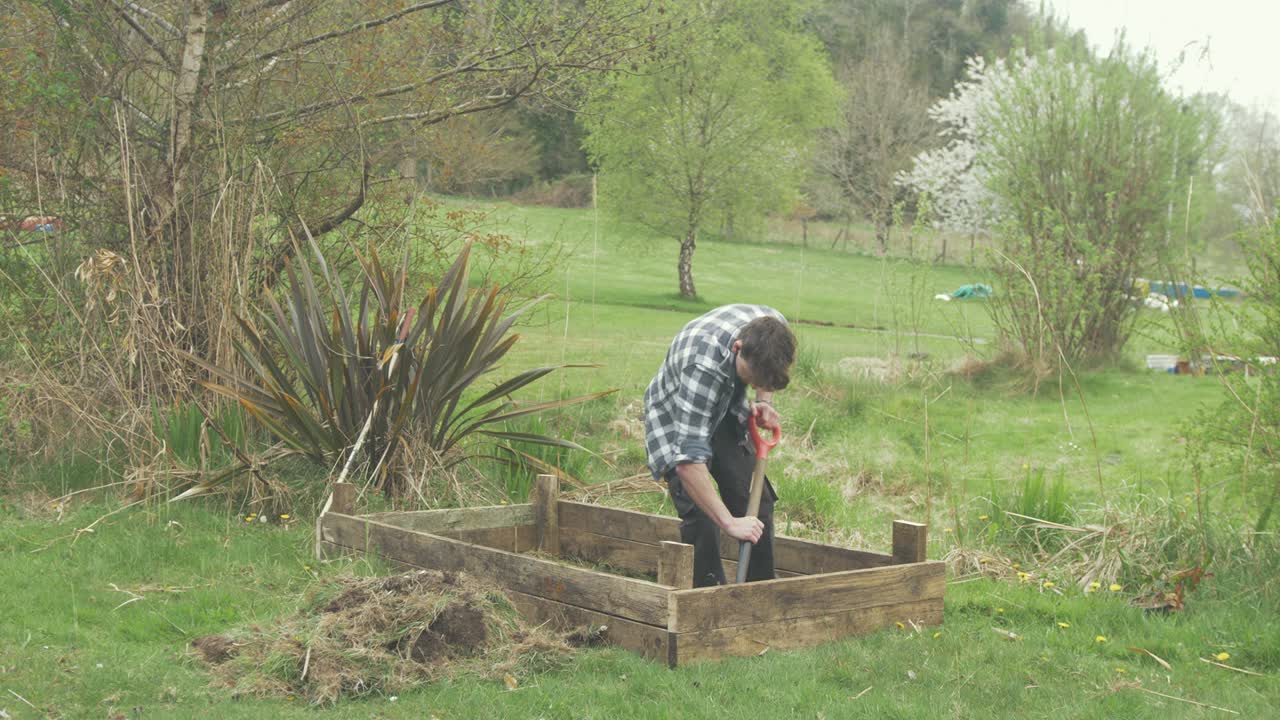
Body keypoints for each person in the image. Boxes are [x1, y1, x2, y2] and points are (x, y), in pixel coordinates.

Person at [644, 304, 796, 587]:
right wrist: (729, 523)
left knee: (756, 503)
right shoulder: (702, 366)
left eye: (761, 381)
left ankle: (762, 593)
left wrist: (763, 401)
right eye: (752, 378)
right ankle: (709, 600)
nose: (755, 384)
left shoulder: (774, 327)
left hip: (726, 406)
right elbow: (688, 462)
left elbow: (768, 368)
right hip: (677, 418)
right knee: (703, 517)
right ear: (738, 347)